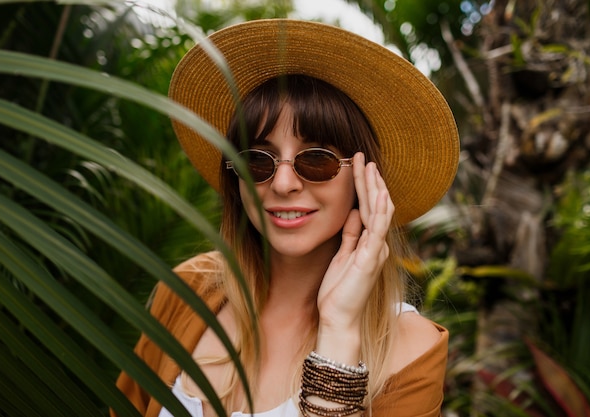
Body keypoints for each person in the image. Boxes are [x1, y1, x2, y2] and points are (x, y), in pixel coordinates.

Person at [114, 18, 459, 417]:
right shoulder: (187, 290)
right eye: (258, 160)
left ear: (367, 178)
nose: (282, 183)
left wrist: (339, 329)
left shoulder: (409, 350)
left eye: (316, 159)